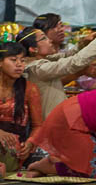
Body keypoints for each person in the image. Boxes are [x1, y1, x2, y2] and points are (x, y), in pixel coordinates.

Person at [17, 12, 96, 119]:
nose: (49, 41)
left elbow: (67, 56)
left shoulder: (40, 61)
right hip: (50, 121)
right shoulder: (37, 68)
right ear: (33, 49)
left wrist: (84, 43)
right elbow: (73, 62)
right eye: (44, 38)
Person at [33, 13, 96, 90]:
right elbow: (73, 63)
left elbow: (70, 58)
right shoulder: (38, 61)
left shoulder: (65, 50)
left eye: (61, 26)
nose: (61, 30)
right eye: (55, 26)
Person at [0, 42, 42, 174]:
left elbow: (38, 126)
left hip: (14, 147)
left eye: (22, 60)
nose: (19, 64)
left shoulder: (30, 89)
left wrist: (29, 143)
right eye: (13, 60)